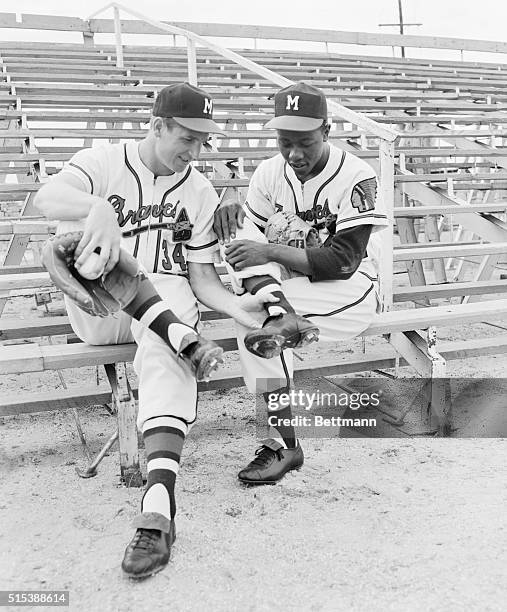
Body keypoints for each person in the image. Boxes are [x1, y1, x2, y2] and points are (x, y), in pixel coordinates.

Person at [34, 82, 284, 580]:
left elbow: (201, 278)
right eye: (186, 138)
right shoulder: (104, 161)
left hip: (162, 318)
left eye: (202, 142)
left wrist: (236, 305)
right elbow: (47, 196)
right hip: (100, 308)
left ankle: (159, 502)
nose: (193, 152)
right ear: (157, 125)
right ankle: (182, 337)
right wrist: (99, 209)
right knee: (88, 251)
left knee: (170, 311)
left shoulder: (198, 189)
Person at [214, 81, 389, 486]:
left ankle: (282, 444)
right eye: (285, 142)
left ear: (326, 131)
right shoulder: (270, 172)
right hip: (291, 288)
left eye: (305, 143)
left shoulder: (357, 175)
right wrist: (226, 213)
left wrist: (272, 253)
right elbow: (246, 244)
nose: (294, 154)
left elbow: (344, 261)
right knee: (252, 314)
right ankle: (285, 443)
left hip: (351, 289)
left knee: (255, 318)